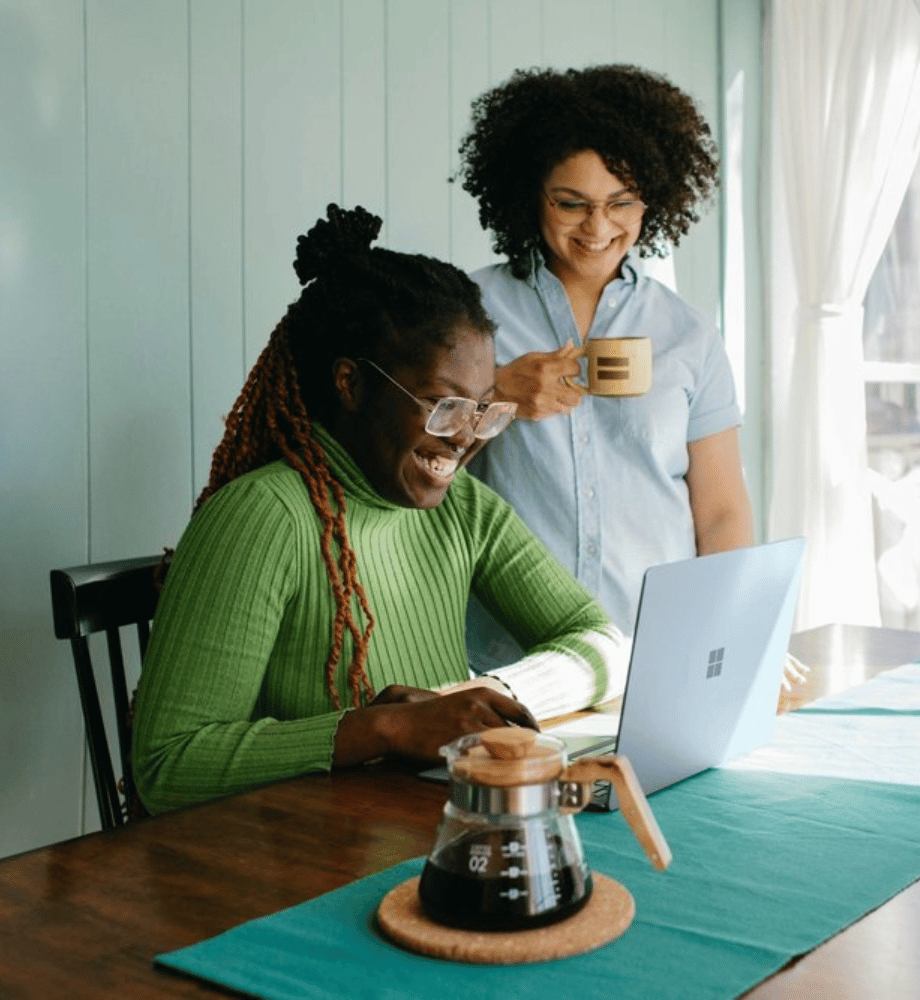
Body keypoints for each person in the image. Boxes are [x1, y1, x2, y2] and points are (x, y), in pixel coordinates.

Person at [131, 203, 628, 815]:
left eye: (482, 410)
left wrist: (480, 693)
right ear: (350, 384)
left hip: (421, 829)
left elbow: (603, 642)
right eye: (443, 406)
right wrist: (382, 729)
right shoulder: (264, 518)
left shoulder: (462, 507)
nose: (465, 437)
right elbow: (166, 765)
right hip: (300, 862)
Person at [456, 64, 757, 672]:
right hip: (508, 658)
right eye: (572, 204)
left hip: (655, 650)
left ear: (654, 200)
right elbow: (406, 471)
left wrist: (723, 641)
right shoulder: (464, 313)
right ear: (530, 194)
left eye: (622, 204)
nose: (598, 229)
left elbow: (721, 512)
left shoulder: (689, 336)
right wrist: (499, 393)